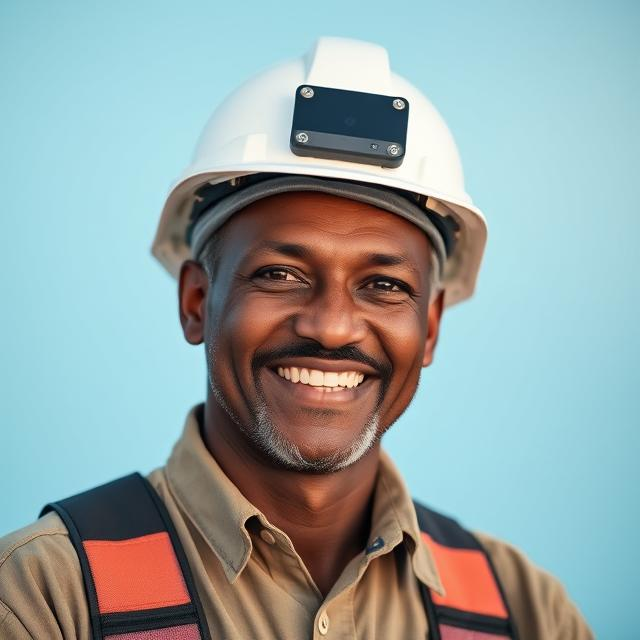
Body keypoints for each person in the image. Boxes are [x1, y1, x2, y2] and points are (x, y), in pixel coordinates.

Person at [0, 37, 593, 639]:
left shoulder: (526, 612)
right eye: (280, 275)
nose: (332, 326)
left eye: (383, 284)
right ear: (197, 302)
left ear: (432, 326)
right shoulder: (45, 597)